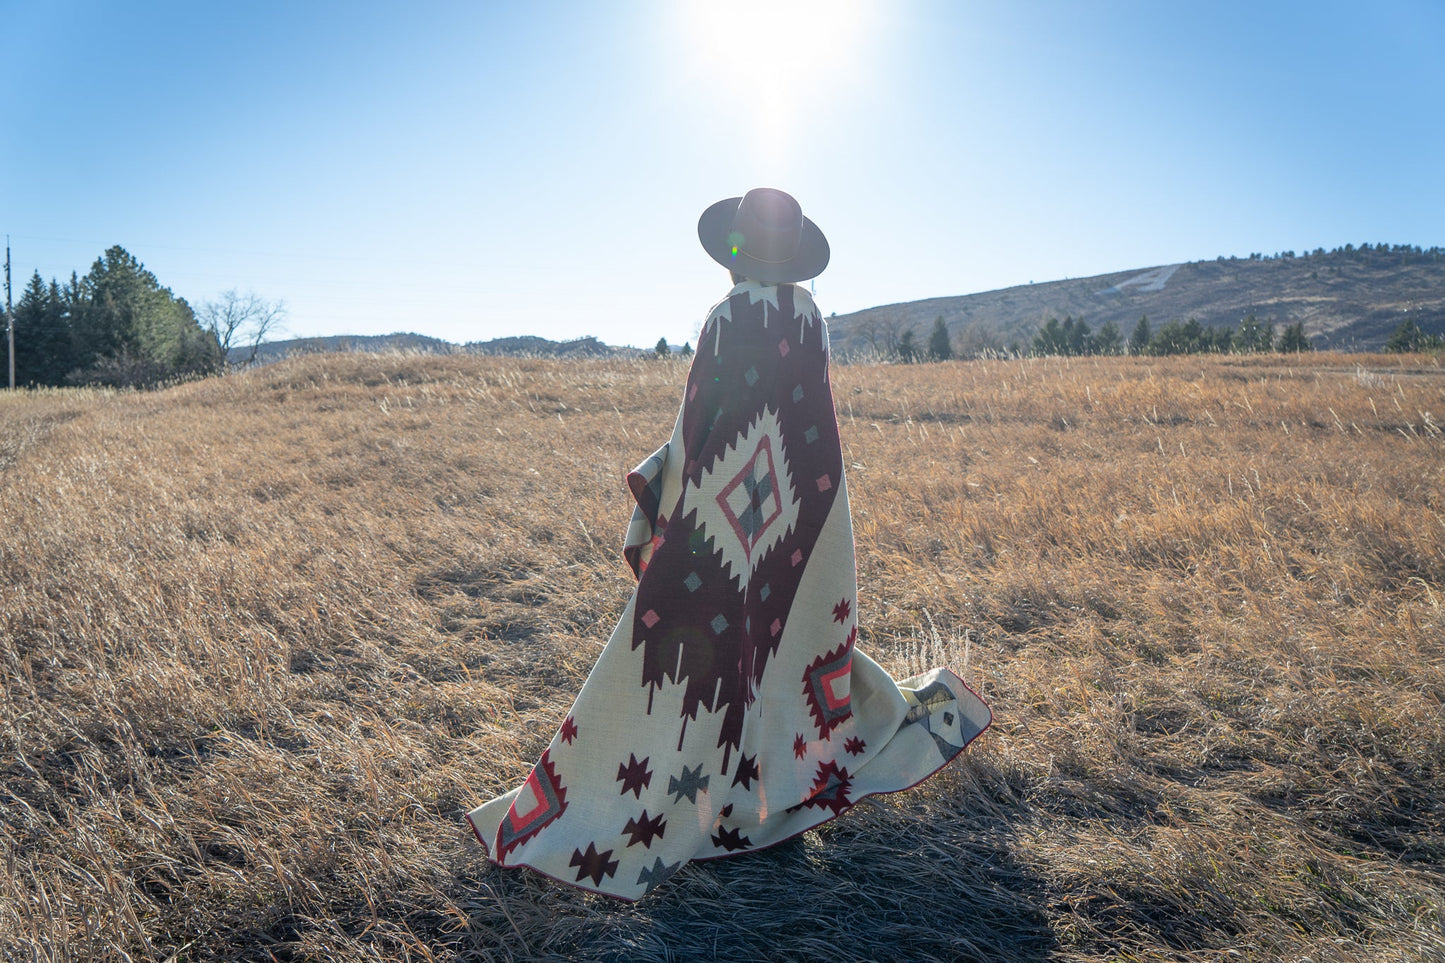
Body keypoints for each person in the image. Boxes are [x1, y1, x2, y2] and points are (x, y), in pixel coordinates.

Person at [466, 188, 990, 900]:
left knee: (696, 653)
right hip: (798, 502)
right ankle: (771, 774)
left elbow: (699, 426)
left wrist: (661, 490)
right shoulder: (809, 317)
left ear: (735, 254)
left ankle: (697, 790)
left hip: (716, 509)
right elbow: (808, 425)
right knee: (779, 639)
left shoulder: (726, 315)